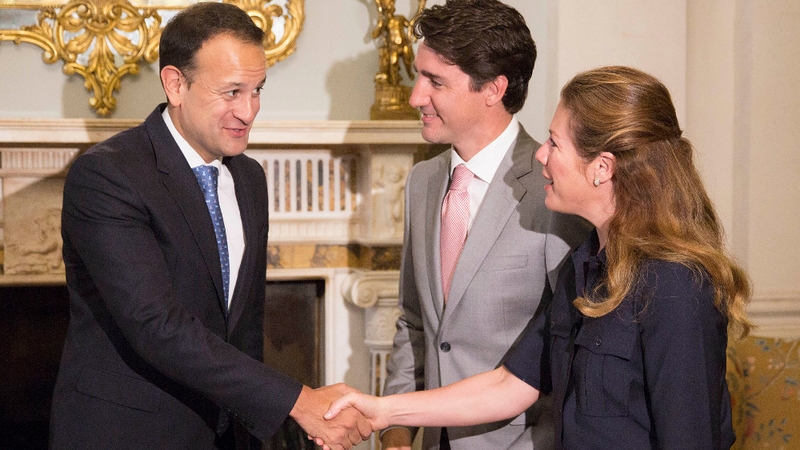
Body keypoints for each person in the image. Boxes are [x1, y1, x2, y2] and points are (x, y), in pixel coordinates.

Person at [323, 66, 753, 450]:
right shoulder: (585, 265)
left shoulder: (676, 286)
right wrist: (382, 410)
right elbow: (512, 383)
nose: (540, 155)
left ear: (602, 167)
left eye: (554, 142)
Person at [49, 3, 369, 449]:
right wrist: (297, 402)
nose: (249, 110)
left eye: (258, 90)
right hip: (128, 434)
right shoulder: (108, 176)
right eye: (232, 91)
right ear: (176, 84)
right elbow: (156, 325)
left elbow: (244, 327)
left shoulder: (249, 178)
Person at [375, 1, 590, 449]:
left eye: (435, 81)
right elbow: (415, 322)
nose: (416, 97)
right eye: (420, 76)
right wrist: (396, 434)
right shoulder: (422, 182)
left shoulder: (558, 189)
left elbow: (573, 347)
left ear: (493, 89)